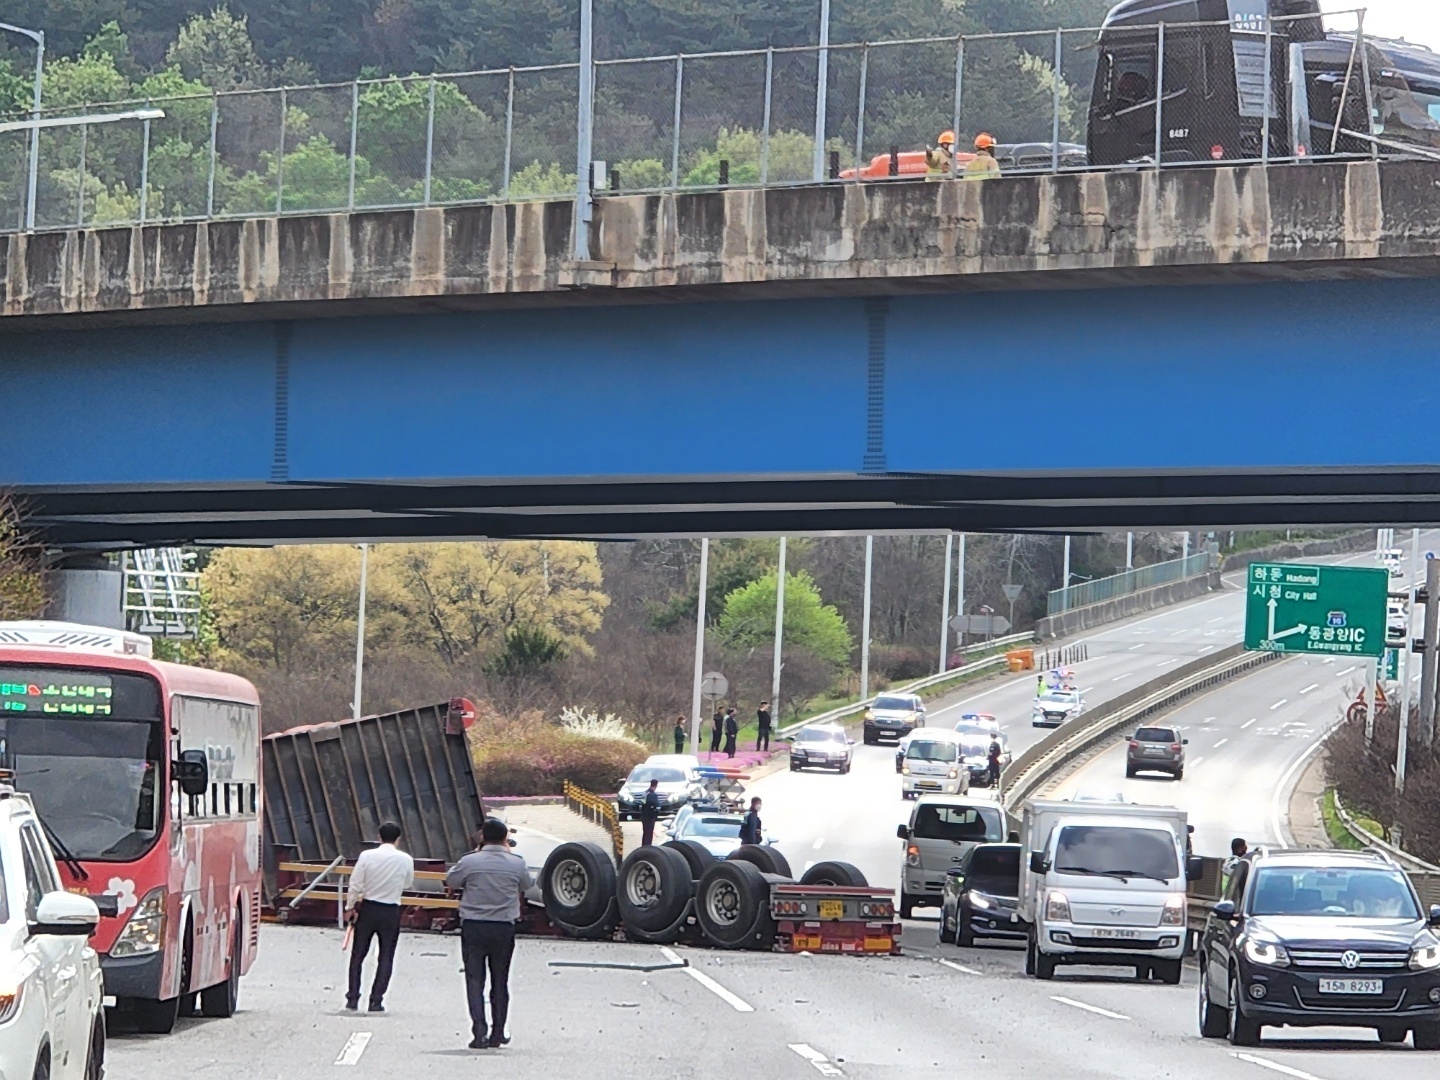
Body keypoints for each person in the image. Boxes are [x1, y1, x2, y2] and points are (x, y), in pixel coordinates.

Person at [446, 818, 534, 1050]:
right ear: (506, 838)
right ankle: (498, 1032)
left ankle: (479, 1031)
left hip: (474, 926)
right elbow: (527, 884)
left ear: (482, 837)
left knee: (474, 979)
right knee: (500, 980)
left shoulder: (470, 861)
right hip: (503, 928)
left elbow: (451, 880)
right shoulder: (516, 863)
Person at [344, 821, 415, 1012]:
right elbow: (408, 884)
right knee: (386, 956)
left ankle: (353, 997)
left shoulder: (366, 856)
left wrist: (350, 907)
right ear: (398, 839)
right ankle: (376, 999)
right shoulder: (406, 859)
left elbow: (355, 883)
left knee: (358, 955)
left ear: (379, 837)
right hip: (391, 910)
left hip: (368, 908)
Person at [639, 778, 661, 847]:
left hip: (644, 816)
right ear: (656, 786)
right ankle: (648, 846)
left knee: (645, 832)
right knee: (649, 833)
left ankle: (643, 846)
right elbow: (657, 805)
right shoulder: (653, 795)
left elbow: (641, 805)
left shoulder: (645, 793)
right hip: (650, 817)